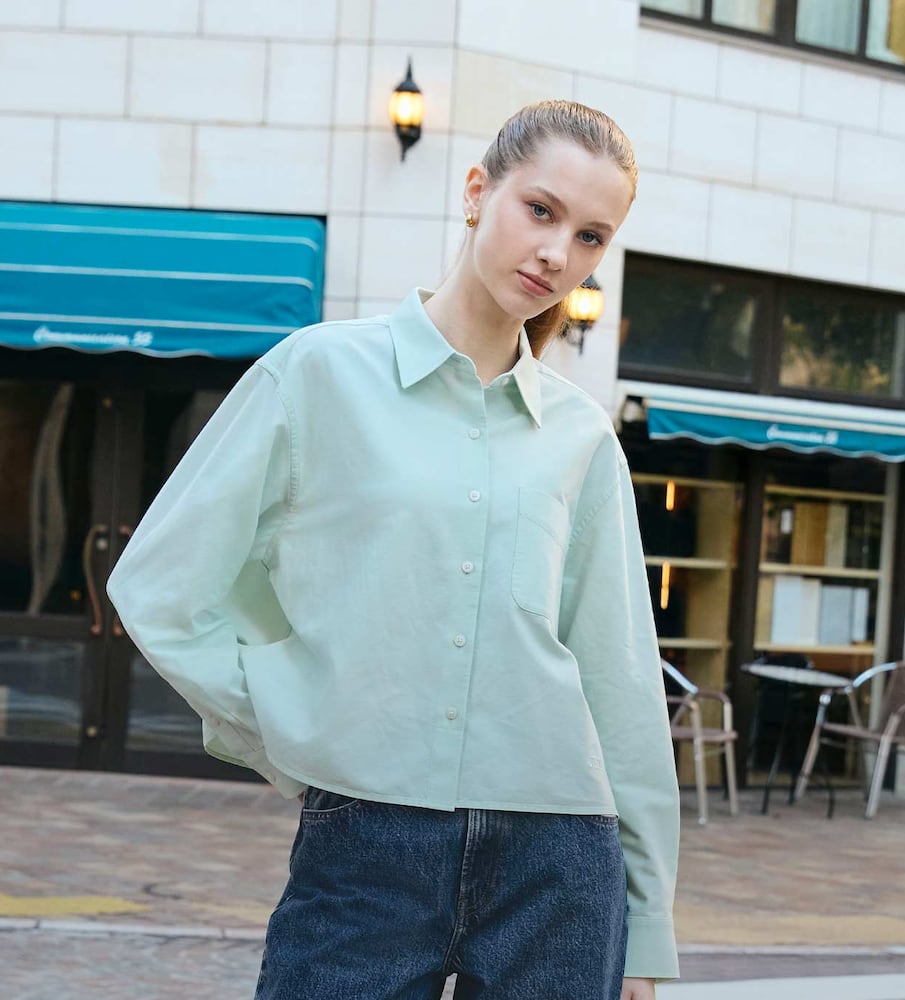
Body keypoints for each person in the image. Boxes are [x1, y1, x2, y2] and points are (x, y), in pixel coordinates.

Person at [106, 100, 679, 1000]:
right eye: (540, 210)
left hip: (560, 861)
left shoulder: (580, 436)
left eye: (591, 236)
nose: (557, 255)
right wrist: (287, 727)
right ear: (476, 191)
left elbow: (620, 678)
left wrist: (648, 925)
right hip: (365, 842)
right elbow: (161, 585)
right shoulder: (315, 375)